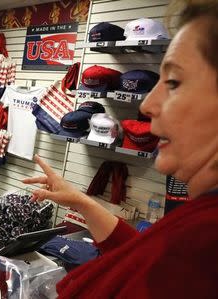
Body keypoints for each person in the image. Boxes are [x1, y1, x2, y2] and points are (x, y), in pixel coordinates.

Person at [23, 1, 218, 298]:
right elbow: (143, 257)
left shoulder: (203, 245)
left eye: (175, 82)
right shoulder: (198, 224)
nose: (147, 105)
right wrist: (81, 201)